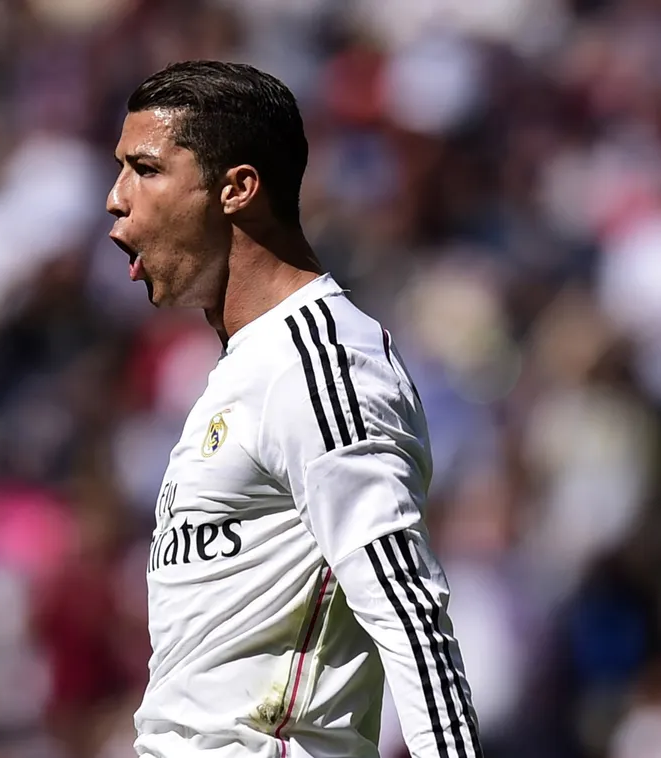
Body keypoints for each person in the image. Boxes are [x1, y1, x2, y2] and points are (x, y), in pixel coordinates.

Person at [106, 60, 481, 758]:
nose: (114, 198)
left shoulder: (320, 364)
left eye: (144, 168)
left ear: (236, 189)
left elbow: (407, 608)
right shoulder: (241, 369)